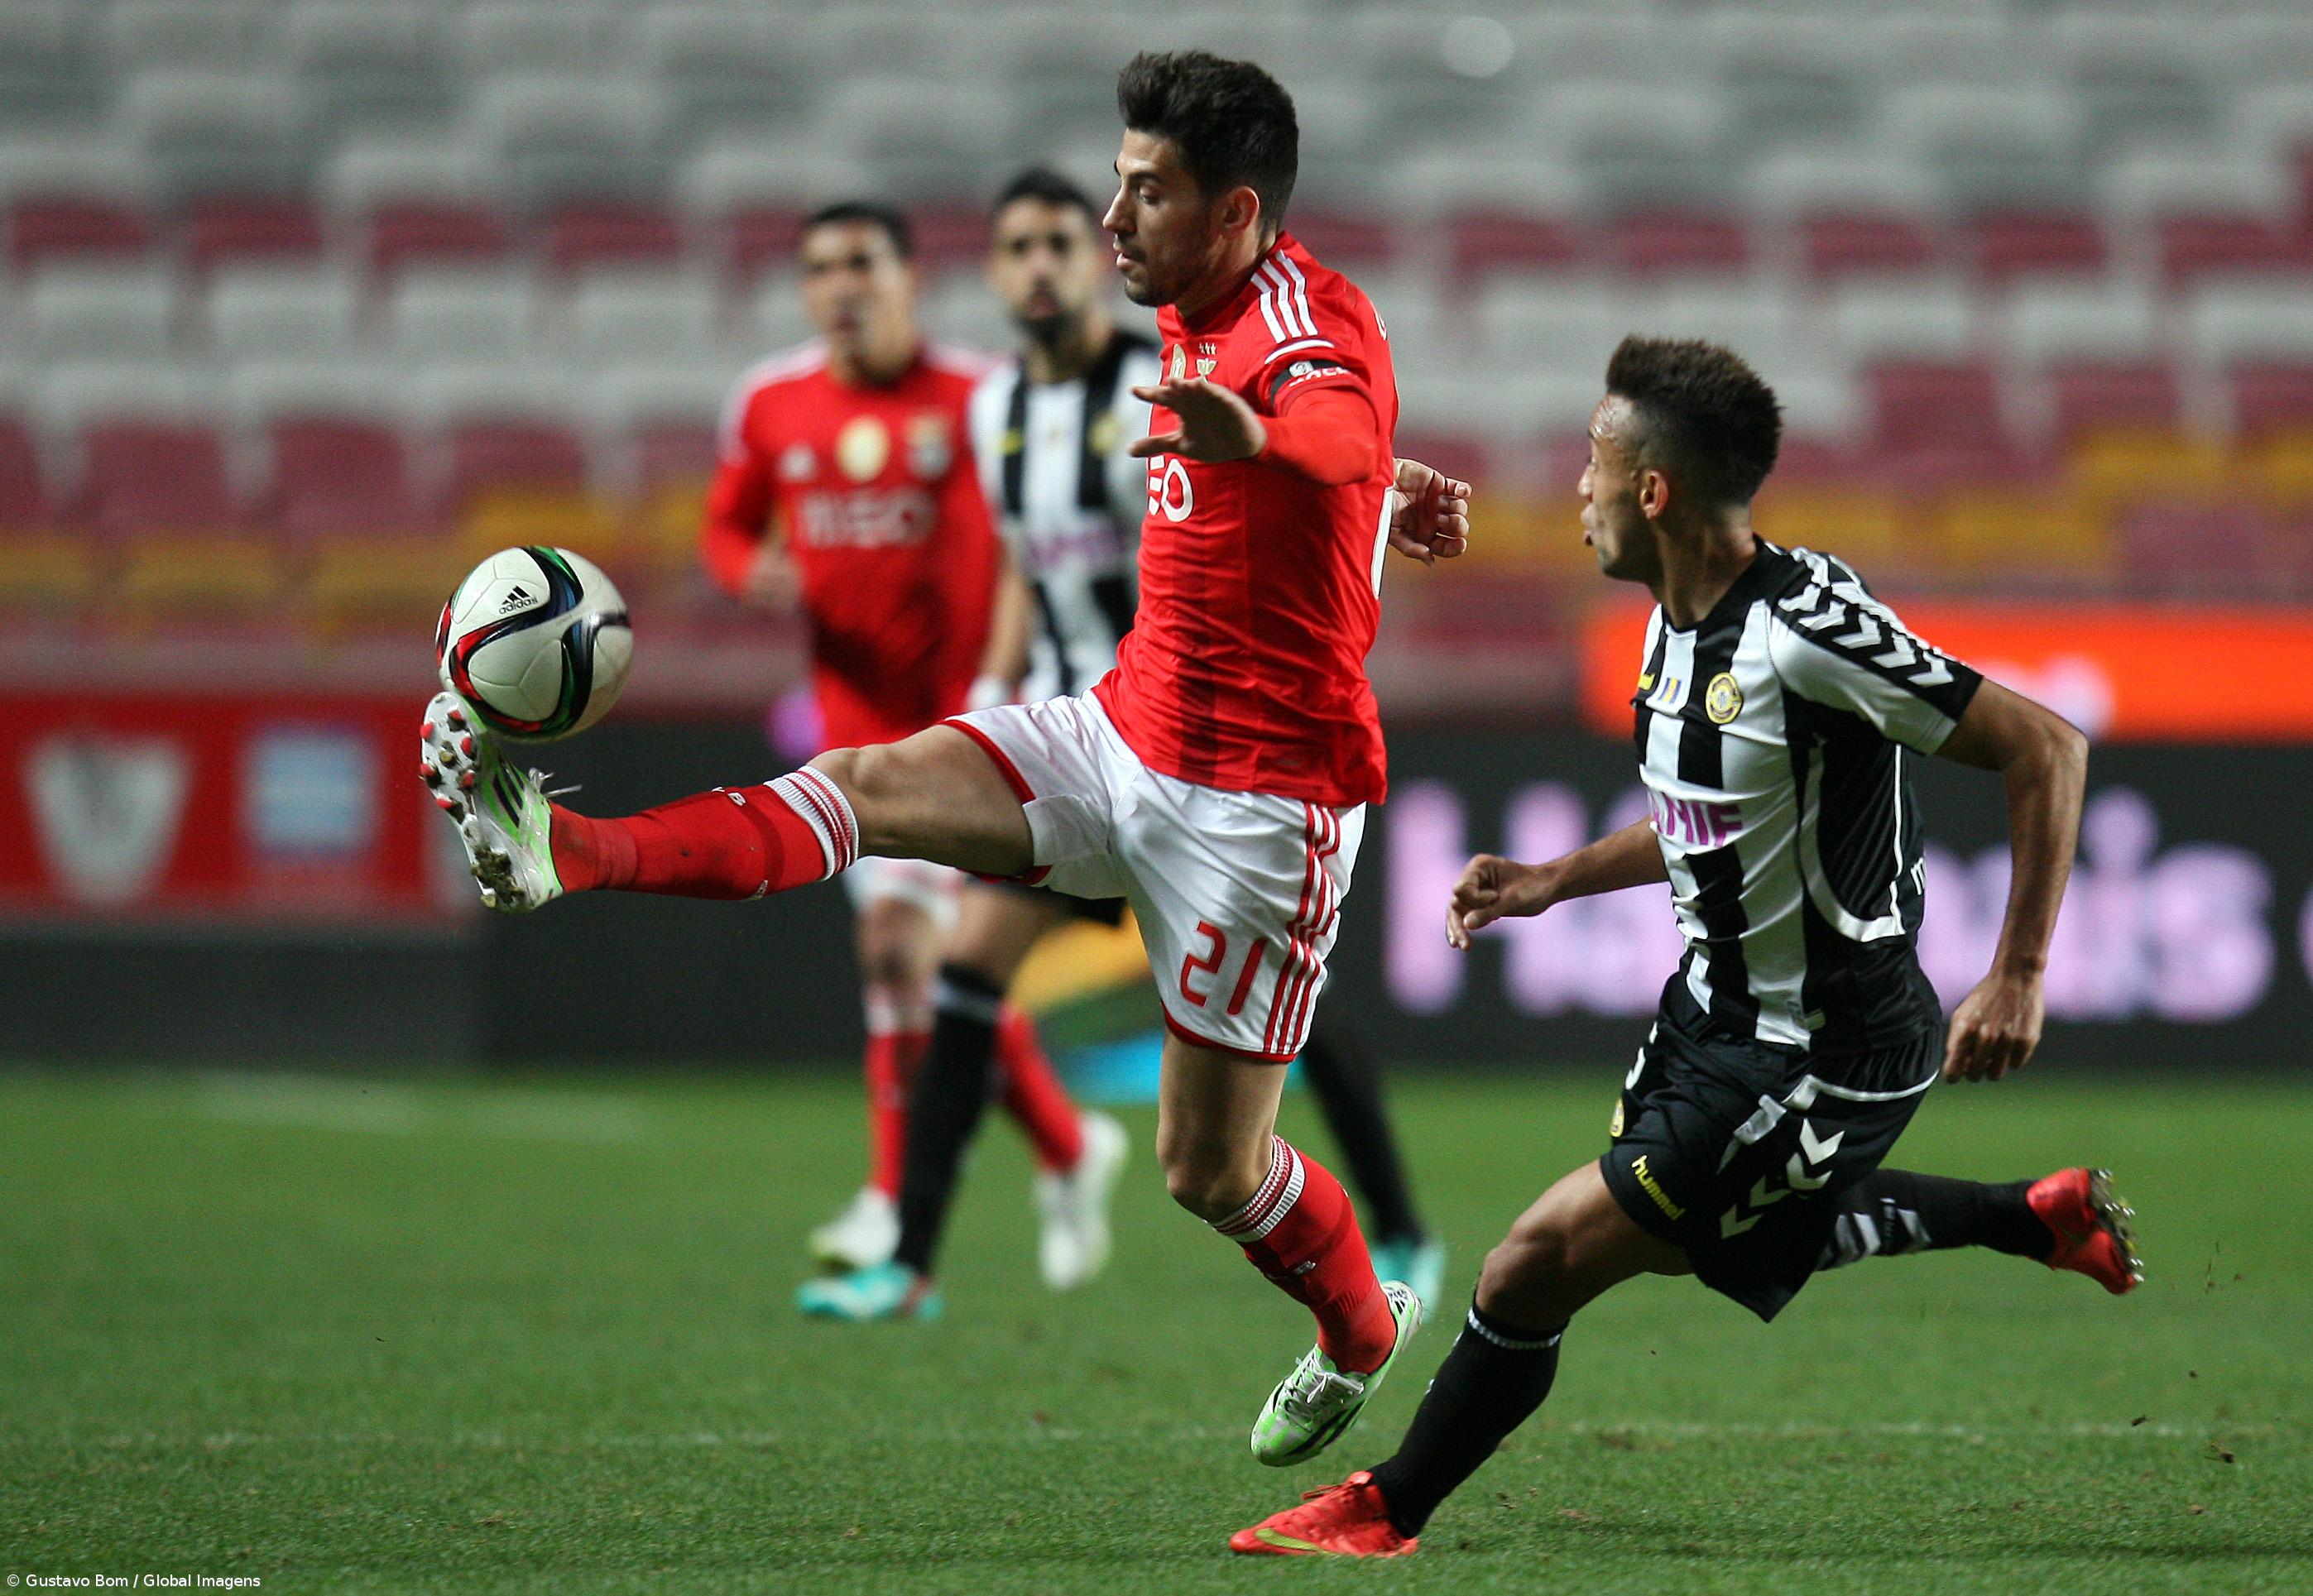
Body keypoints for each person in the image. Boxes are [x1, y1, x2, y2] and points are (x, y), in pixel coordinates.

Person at [419, 51, 1471, 1467]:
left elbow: (1334, 412)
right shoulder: (1187, 302)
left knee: (1207, 1168)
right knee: (864, 787)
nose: (1113, 218)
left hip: (1261, 813)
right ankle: (565, 847)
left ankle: (1360, 1324)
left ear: (1233, 214)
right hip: (1118, 727)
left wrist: (1300, 448)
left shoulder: (1291, 328)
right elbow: (1352, 451)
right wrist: (1376, 482)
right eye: (1115, 180)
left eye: (1145, 193)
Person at [1227, 336, 2141, 1560]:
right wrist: (1555, 879)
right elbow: (1704, 815)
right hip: (1707, 1016)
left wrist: (2019, 971)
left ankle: (1386, 1506)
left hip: (1822, 1044)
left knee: (1533, 1262)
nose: (1578, 490)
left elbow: (2050, 746)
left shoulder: (1807, 629)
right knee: (1727, 1237)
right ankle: (2033, 1216)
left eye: (1594, 465)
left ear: (1653, 491)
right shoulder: (1672, 620)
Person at [801, 164, 1442, 1322]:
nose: (1042, 263)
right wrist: (996, 688)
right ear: (993, 270)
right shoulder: (996, 407)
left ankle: (1400, 1228)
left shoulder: (1167, 374)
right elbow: (1014, 562)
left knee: (1292, 1020)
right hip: (1079, 738)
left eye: (1060, 241)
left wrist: (1385, 490)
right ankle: (911, 1259)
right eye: (1018, 246)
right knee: (964, 980)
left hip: (1193, 749)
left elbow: (1282, 492)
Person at [699, 199, 1111, 1280]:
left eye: (863, 265)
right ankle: (1070, 1148)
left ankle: (896, 1201)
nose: (842, 285)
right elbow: (726, 523)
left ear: (909, 279)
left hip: (975, 728)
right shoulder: (770, 403)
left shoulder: (982, 396)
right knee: (923, 967)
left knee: (905, 958)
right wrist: (753, 573)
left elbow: (1042, 523)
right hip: (850, 727)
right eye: (821, 268)